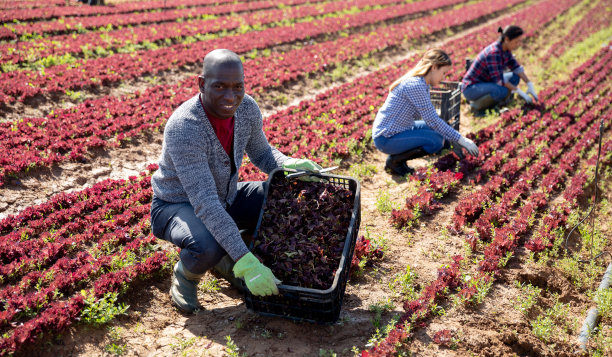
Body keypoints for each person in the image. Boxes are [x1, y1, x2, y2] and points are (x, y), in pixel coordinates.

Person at [150, 49, 321, 314]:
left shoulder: (247, 108)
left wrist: (287, 163)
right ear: (201, 84)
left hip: (225, 196)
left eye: (237, 87)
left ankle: (226, 254)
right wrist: (246, 261)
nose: (230, 97)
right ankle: (187, 273)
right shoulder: (186, 126)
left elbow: (262, 153)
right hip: (176, 204)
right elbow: (205, 203)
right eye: (219, 86)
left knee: (281, 195)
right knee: (208, 243)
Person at [372, 48, 480, 176]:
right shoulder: (415, 85)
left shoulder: (422, 83)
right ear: (434, 67)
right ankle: (395, 161)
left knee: (439, 134)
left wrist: (451, 138)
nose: (444, 77)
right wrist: (461, 140)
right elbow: (432, 120)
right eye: (443, 72)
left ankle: (398, 158)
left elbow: (429, 119)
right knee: (435, 141)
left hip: (400, 129)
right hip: (386, 137)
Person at [462, 25, 539, 113]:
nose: (518, 44)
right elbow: (499, 80)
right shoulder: (494, 52)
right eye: (516, 42)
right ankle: (475, 107)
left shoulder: (505, 50)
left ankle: (497, 101)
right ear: (506, 39)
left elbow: (516, 68)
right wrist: (520, 92)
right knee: (501, 91)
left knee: (515, 77)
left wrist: (529, 84)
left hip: (486, 83)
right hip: (472, 88)